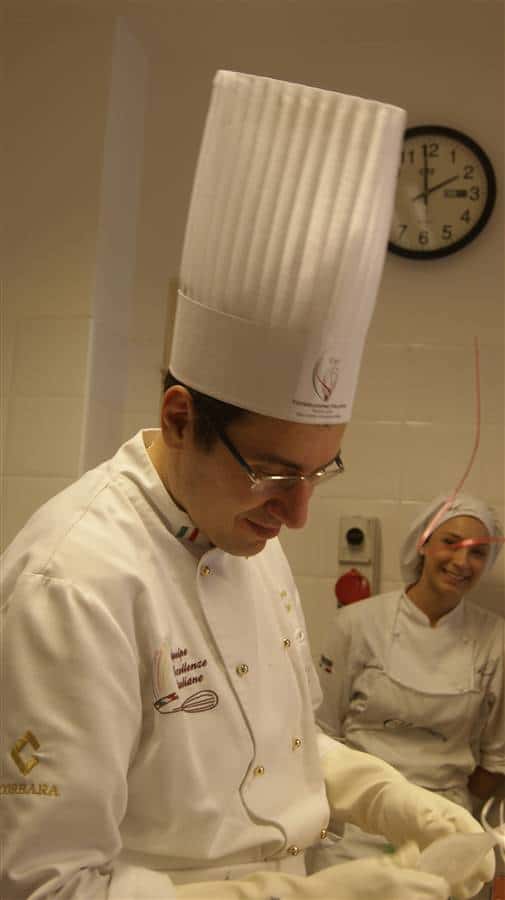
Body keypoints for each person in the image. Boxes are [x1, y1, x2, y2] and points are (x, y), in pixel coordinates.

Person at [0, 71, 494, 900]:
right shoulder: (76, 584)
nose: (297, 514)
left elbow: (273, 745)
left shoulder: (239, 525)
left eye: (319, 470)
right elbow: (45, 886)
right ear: (180, 417)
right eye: (274, 471)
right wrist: (305, 896)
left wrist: (388, 797)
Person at [315, 493, 505, 869]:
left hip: (442, 828)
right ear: (423, 543)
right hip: (354, 825)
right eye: (450, 543)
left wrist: (449, 808)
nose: (461, 562)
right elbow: (322, 733)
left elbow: (495, 757)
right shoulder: (357, 623)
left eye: (478, 552)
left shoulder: (495, 639)